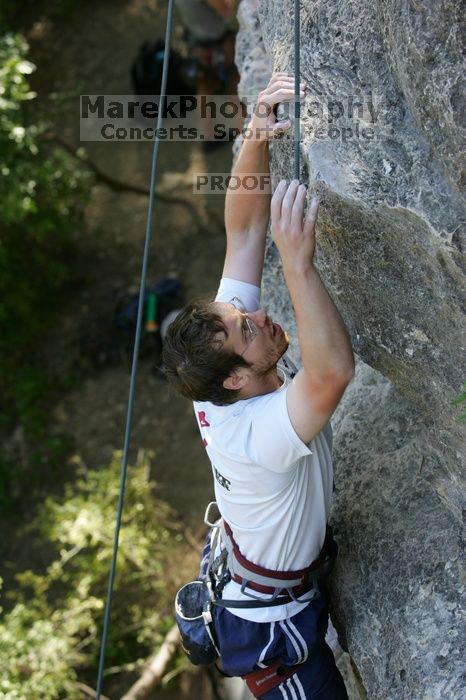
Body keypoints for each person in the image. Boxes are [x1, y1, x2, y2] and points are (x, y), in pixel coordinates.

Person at [163, 73, 354, 699]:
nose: (260, 316)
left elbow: (243, 233)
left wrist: (254, 135)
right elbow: (331, 374)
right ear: (240, 378)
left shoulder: (217, 370)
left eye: (241, 315)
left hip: (261, 574)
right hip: (274, 633)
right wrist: (297, 262)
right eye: (250, 330)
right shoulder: (252, 434)